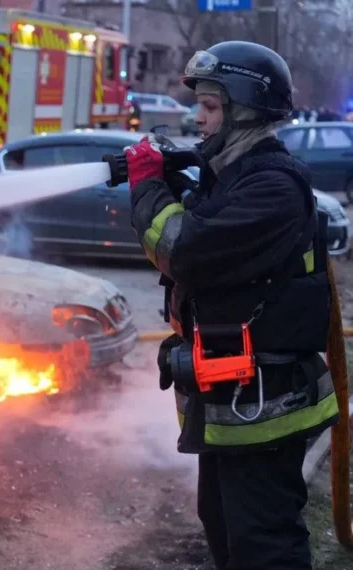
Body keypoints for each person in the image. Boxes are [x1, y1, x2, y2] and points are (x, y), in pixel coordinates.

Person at [123, 41, 340, 570]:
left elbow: (184, 251)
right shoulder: (230, 176)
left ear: (245, 110)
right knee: (222, 530)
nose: (197, 118)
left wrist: (149, 189)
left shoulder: (272, 186)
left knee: (262, 545)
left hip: (266, 409)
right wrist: (174, 178)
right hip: (230, 403)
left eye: (211, 107)